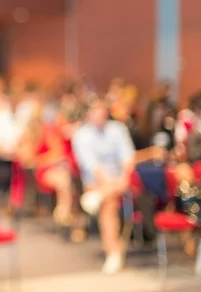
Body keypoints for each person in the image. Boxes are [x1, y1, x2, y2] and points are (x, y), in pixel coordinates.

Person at [72, 97, 136, 274]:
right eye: (96, 112)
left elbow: (127, 157)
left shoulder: (118, 129)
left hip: (121, 178)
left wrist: (122, 177)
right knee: (109, 203)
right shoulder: (81, 134)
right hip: (96, 182)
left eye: (102, 112)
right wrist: (109, 183)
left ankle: (98, 197)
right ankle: (113, 252)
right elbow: (92, 167)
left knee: (106, 197)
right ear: (88, 114)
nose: (100, 116)